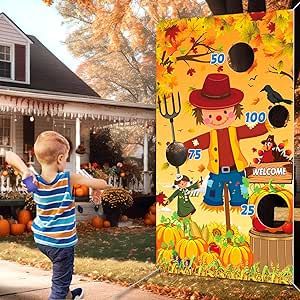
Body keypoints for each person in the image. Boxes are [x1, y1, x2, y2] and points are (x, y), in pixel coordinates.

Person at [5, 131, 109, 300]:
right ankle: (61, 294)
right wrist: (96, 187)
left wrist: (25, 170)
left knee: (61, 275)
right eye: (66, 158)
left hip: (43, 240)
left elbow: (9, 155)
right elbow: (103, 184)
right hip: (62, 244)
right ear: (60, 159)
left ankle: (67, 294)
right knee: (60, 284)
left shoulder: (34, 182)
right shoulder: (67, 178)